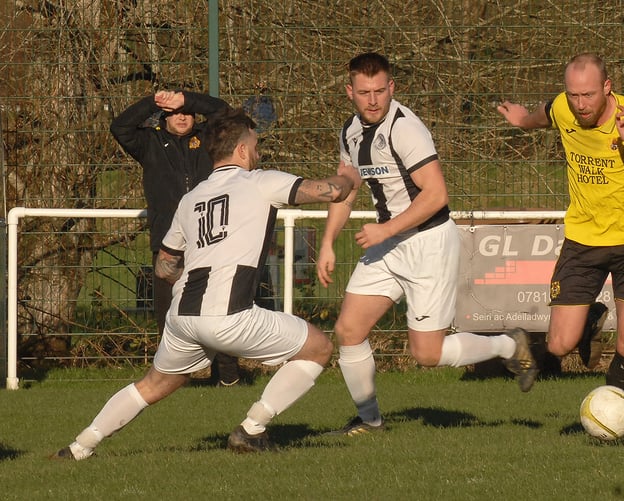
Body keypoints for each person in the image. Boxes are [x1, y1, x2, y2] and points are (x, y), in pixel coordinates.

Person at [53, 108, 360, 459]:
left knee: (152, 385)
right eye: (255, 145)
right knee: (319, 348)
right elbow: (329, 191)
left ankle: (80, 447)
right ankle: (252, 429)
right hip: (229, 317)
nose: (257, 153)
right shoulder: (260, 180)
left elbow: (165, 266)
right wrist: (349, 178)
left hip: (182, 318)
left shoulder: (191, 199)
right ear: (242, 150)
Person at [316, 52, 539, 437]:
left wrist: (385, 231)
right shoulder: (349, 131)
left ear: (393, 88)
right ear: (349, 91)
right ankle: (370, 422)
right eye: (364, 92)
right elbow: (347, 188)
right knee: (349, 330)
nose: (373, 100)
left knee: (427, 354)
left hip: (428, 243)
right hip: (390, 244)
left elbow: (436, 194)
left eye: (380, 91)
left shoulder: (405, 129)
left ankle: (508, 345)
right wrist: (328, 242)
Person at [496, 53, 624, 394]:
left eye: (589, 95)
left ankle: (612, 409)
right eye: (574, 95)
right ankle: (589, 321)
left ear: (607, 87)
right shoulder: (563, 107)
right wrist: (523, 120)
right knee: (559, 345)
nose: (580, 104)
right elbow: (546, 114)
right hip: (584, 239)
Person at [111, 89, 246, 386]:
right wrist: (153, 101)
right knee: (168, 314)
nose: (182, 116)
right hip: (167, 243)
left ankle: (228, 378)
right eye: (173, 112)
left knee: (219, 308)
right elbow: (119, 126)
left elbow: (224, 111)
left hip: (211, 241)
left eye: (185, 110)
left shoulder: (209, 139)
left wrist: (186, 98)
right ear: (162, 117)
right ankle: (171, 379)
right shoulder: (149, 142)